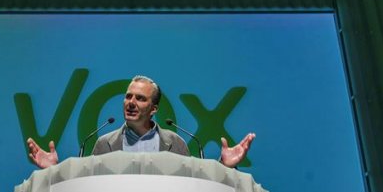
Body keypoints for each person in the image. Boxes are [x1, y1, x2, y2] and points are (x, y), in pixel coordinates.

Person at [26, 75, 255, 169]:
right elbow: (85, 185)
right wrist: (54, 170)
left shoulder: (175, 143)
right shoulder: (103, 144)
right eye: (128, 96)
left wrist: (225, 166)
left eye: (140, 98)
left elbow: (195, 184)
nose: (131, 102)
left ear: (154, 109)